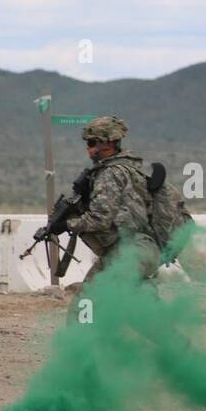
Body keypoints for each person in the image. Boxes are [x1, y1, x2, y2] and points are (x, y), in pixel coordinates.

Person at [64, 116, 160, 287]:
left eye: (92, 143)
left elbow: (100, 219)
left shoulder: (110, 173)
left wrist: (69, 223)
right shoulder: (129, 168)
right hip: (142, 250)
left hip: (128, 253)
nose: (88, 149)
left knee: (89, 300)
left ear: (106, 143)